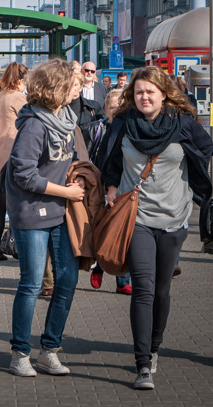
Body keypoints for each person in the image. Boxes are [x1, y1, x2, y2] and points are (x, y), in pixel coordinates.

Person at [97, 66, 213, 391]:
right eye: (139, 92)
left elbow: (204, 149)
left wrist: (193, 182)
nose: (144, 97)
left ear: (165, 93)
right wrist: (109, 186)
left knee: (162, 291)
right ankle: (143, 363)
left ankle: (155, 345)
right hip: (137, 219)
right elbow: (108, 159)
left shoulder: (182, 123)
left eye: (150, 91)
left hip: (174, 219)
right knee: (143, 289)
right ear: (132, 96)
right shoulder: (123, 123)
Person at [6, 59, 85, 377]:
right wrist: (66, 193)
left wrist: (77, 178)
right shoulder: (34, 124)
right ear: (57, 89)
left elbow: (70, 157)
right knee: (32, 283)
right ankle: (19, 353)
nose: (78, 89)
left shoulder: (66, 117)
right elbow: (23, 174)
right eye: (72, 84)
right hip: (32, 212)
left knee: (67, 280)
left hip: (58, 211)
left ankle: (49, 350)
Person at [87, 88, 132, 295]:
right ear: (106, 109)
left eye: (121, 106)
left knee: (122, 232)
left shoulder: (129, 127)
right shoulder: (100, 128)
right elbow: (97, 156)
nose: (117, 110)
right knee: (105, 229)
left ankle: (123, 281)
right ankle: (98, 265)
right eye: (114, 107)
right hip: (104, 184)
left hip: (126, 185)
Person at [0, 62, 28, 261]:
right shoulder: (20, 98)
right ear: (20, 80)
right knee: (17, 206)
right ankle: (16, 247)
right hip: (12, 157)